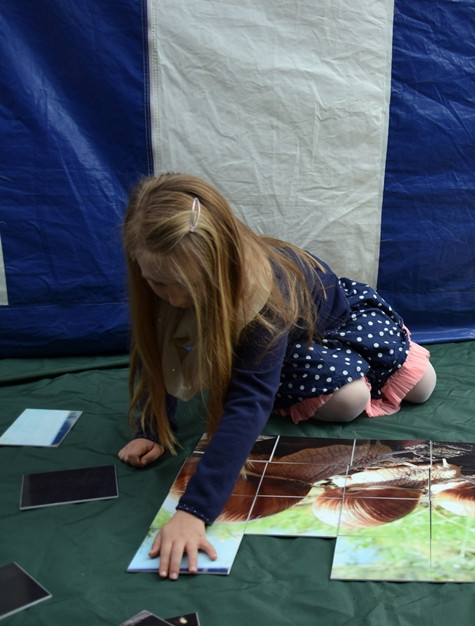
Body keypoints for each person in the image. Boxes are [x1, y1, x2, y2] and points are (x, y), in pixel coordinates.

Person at [117, 173, 437, 579]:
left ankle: (304, 372)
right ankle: (300, 376)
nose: (176, 300)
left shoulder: (264, 293)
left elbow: (248, 400)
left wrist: (193, 509)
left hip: (335, 323)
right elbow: (158, 346)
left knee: (423, 387)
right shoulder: (161, 284)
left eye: (187, 287)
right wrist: (152, 427)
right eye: (160, 284)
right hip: (289, 348)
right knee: (349, 400)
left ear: (222, 265)